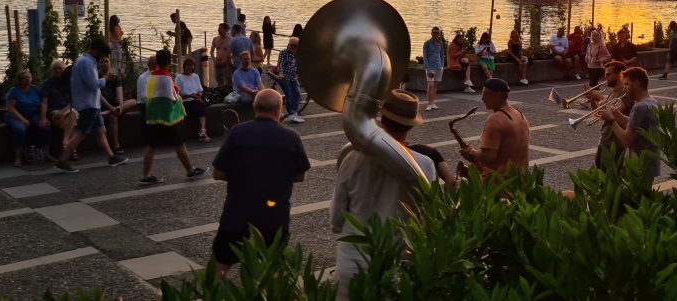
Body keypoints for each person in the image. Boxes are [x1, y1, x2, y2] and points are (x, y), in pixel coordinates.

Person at [331, 90, 435, 300]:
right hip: (398, 263)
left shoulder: (352, 157)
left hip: (353, 260)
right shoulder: (425, 165)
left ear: (382, 118)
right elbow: (426, 216)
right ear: (410, 126)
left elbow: (337, 215)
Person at [212, 89, 310, 279]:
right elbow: (300, 175)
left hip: (236, 216)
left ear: (254, 107)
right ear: (279, 109)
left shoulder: (237, 132)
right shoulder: (291, 137)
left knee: (220, 267)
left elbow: (218, 173)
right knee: (270, 271)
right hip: (273, 219)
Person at [56, 40, 128, 173]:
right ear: (97, 51)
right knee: (80, 133)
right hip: (88, 104)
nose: (103, 58)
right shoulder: (87, 63)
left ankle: (111, 157)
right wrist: (105, 79)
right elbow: (93, 85)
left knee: (101, 131)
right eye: (103, 54)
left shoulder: (82, 61)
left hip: (91, 104)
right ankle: (62, 160)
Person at [140, 49, 209, 185]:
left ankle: (146, 175)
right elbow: (171, 98)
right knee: (179, 144)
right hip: (168, 118)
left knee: (151, 145)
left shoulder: (151, 76)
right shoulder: (166, 78)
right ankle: (190, 170)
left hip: (154, 116)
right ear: (169, 62)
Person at [458, 78, 530, 180]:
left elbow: (488, 156)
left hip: (499, 183)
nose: (482, 98)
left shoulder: (495, 120)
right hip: (520, 178)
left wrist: (470, 151)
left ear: (497, 94)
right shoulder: (520, 114)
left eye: (485, 94)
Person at [599, 67, 660, 178]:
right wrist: (616, 114)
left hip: (638, 165)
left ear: (636, 83)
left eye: (627, 84)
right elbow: (636, 126)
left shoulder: (639, 107)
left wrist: (611, 120)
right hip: (649, 163)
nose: (625, 89)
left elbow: (627, 140)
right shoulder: (652, 102)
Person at [585, 61, 630, 169]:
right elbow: (599, 114)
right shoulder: (612, 93)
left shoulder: (625, 94)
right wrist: (593, 100)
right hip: (605, 140)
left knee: (612, 178)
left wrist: (600, 97)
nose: (605, 77)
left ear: (620, 75)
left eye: (608, 74)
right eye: (605, 74)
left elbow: (613, 113)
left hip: (616, 144)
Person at [5, 71, 48, 167]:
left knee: (46, 126)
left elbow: (42, 103)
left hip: (32, 114)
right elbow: (10, 108)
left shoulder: (34, 89)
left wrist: (43, 117)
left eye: (29, 77)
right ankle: (17, 157)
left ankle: (46, 153)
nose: (27, 79)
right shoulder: (14, 91)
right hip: (16, 116)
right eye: (24, 78)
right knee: (20, 129)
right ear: (19, 80)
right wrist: (22, 119)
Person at [40, 59, 76, 161]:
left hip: (68, 110)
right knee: (72, 119)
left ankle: (66, 143)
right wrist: (43, 118)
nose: (58, 71)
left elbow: (75, 100)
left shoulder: (70, 82)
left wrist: (64, 111)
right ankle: (72, 150)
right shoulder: (47, 84)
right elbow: (44, 102)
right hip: (54, 111)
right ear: (51, 70)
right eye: (55, 69)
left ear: (64, 69)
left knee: (72, 114)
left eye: (60, 68)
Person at [99, 57, 135, 156]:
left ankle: (109, 112)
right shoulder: (96, 78)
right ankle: (116, 146)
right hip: (102, 107)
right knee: (113, 117)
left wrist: (119, 105)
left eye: (107, 61)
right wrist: (112, 109)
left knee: (133, 102)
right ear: (98, 64)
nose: (105, 64)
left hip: (113, 107)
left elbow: (119, 95)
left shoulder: (115, 77)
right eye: (102, 62)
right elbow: (99, 97)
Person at [176, 57, 211, 143]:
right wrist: (189, 95)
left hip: (195, 100)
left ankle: (202, 130)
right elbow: (177, 93)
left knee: (200, 105)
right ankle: (202, 131)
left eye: (192, 66)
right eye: (188, 65)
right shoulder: (179, 77)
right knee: (200, 106)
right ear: (184, 66)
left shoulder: (195, 76)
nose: (190, 67)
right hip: (185, 101)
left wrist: (198, 95)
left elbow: (200, 90)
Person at [276, 37, 305, 123]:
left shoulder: (299, 54)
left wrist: (299, 75)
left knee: (297, 93)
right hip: (284, 77)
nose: (292, 47)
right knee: (289, 94)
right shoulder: (283, 53)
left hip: (293, 77)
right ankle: (292, 113)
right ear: (288, 44)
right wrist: (280, 73)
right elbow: (280, 63)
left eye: (294, 46)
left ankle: (294, 113)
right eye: (291, 45)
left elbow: (300, 65)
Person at [423, 27, 444, 110]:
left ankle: (433, 103)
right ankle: (429, 104)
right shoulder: (427, 43)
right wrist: (427, 69)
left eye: (437, 33)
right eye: (434, 33)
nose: (436, 34)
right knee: (430, 85)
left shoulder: (440, 43)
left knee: (435, 86)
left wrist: (442, 65)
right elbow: (425, 57)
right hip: (430, 67)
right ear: (431, 33)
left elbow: (442, 55)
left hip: (439, 67)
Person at [210, 23, 233, 87]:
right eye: (218, 28)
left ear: (226, 30)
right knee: (218, 79)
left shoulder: (230, 40)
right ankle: (220, 92)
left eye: (220, 28)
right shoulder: (215, 39)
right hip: (217, 62)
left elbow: (232, 53)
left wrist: (226, 61)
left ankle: (229, 93)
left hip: (226, 64)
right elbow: (211, 52)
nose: (218, 30)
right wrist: (214, 61)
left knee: (228, 80)